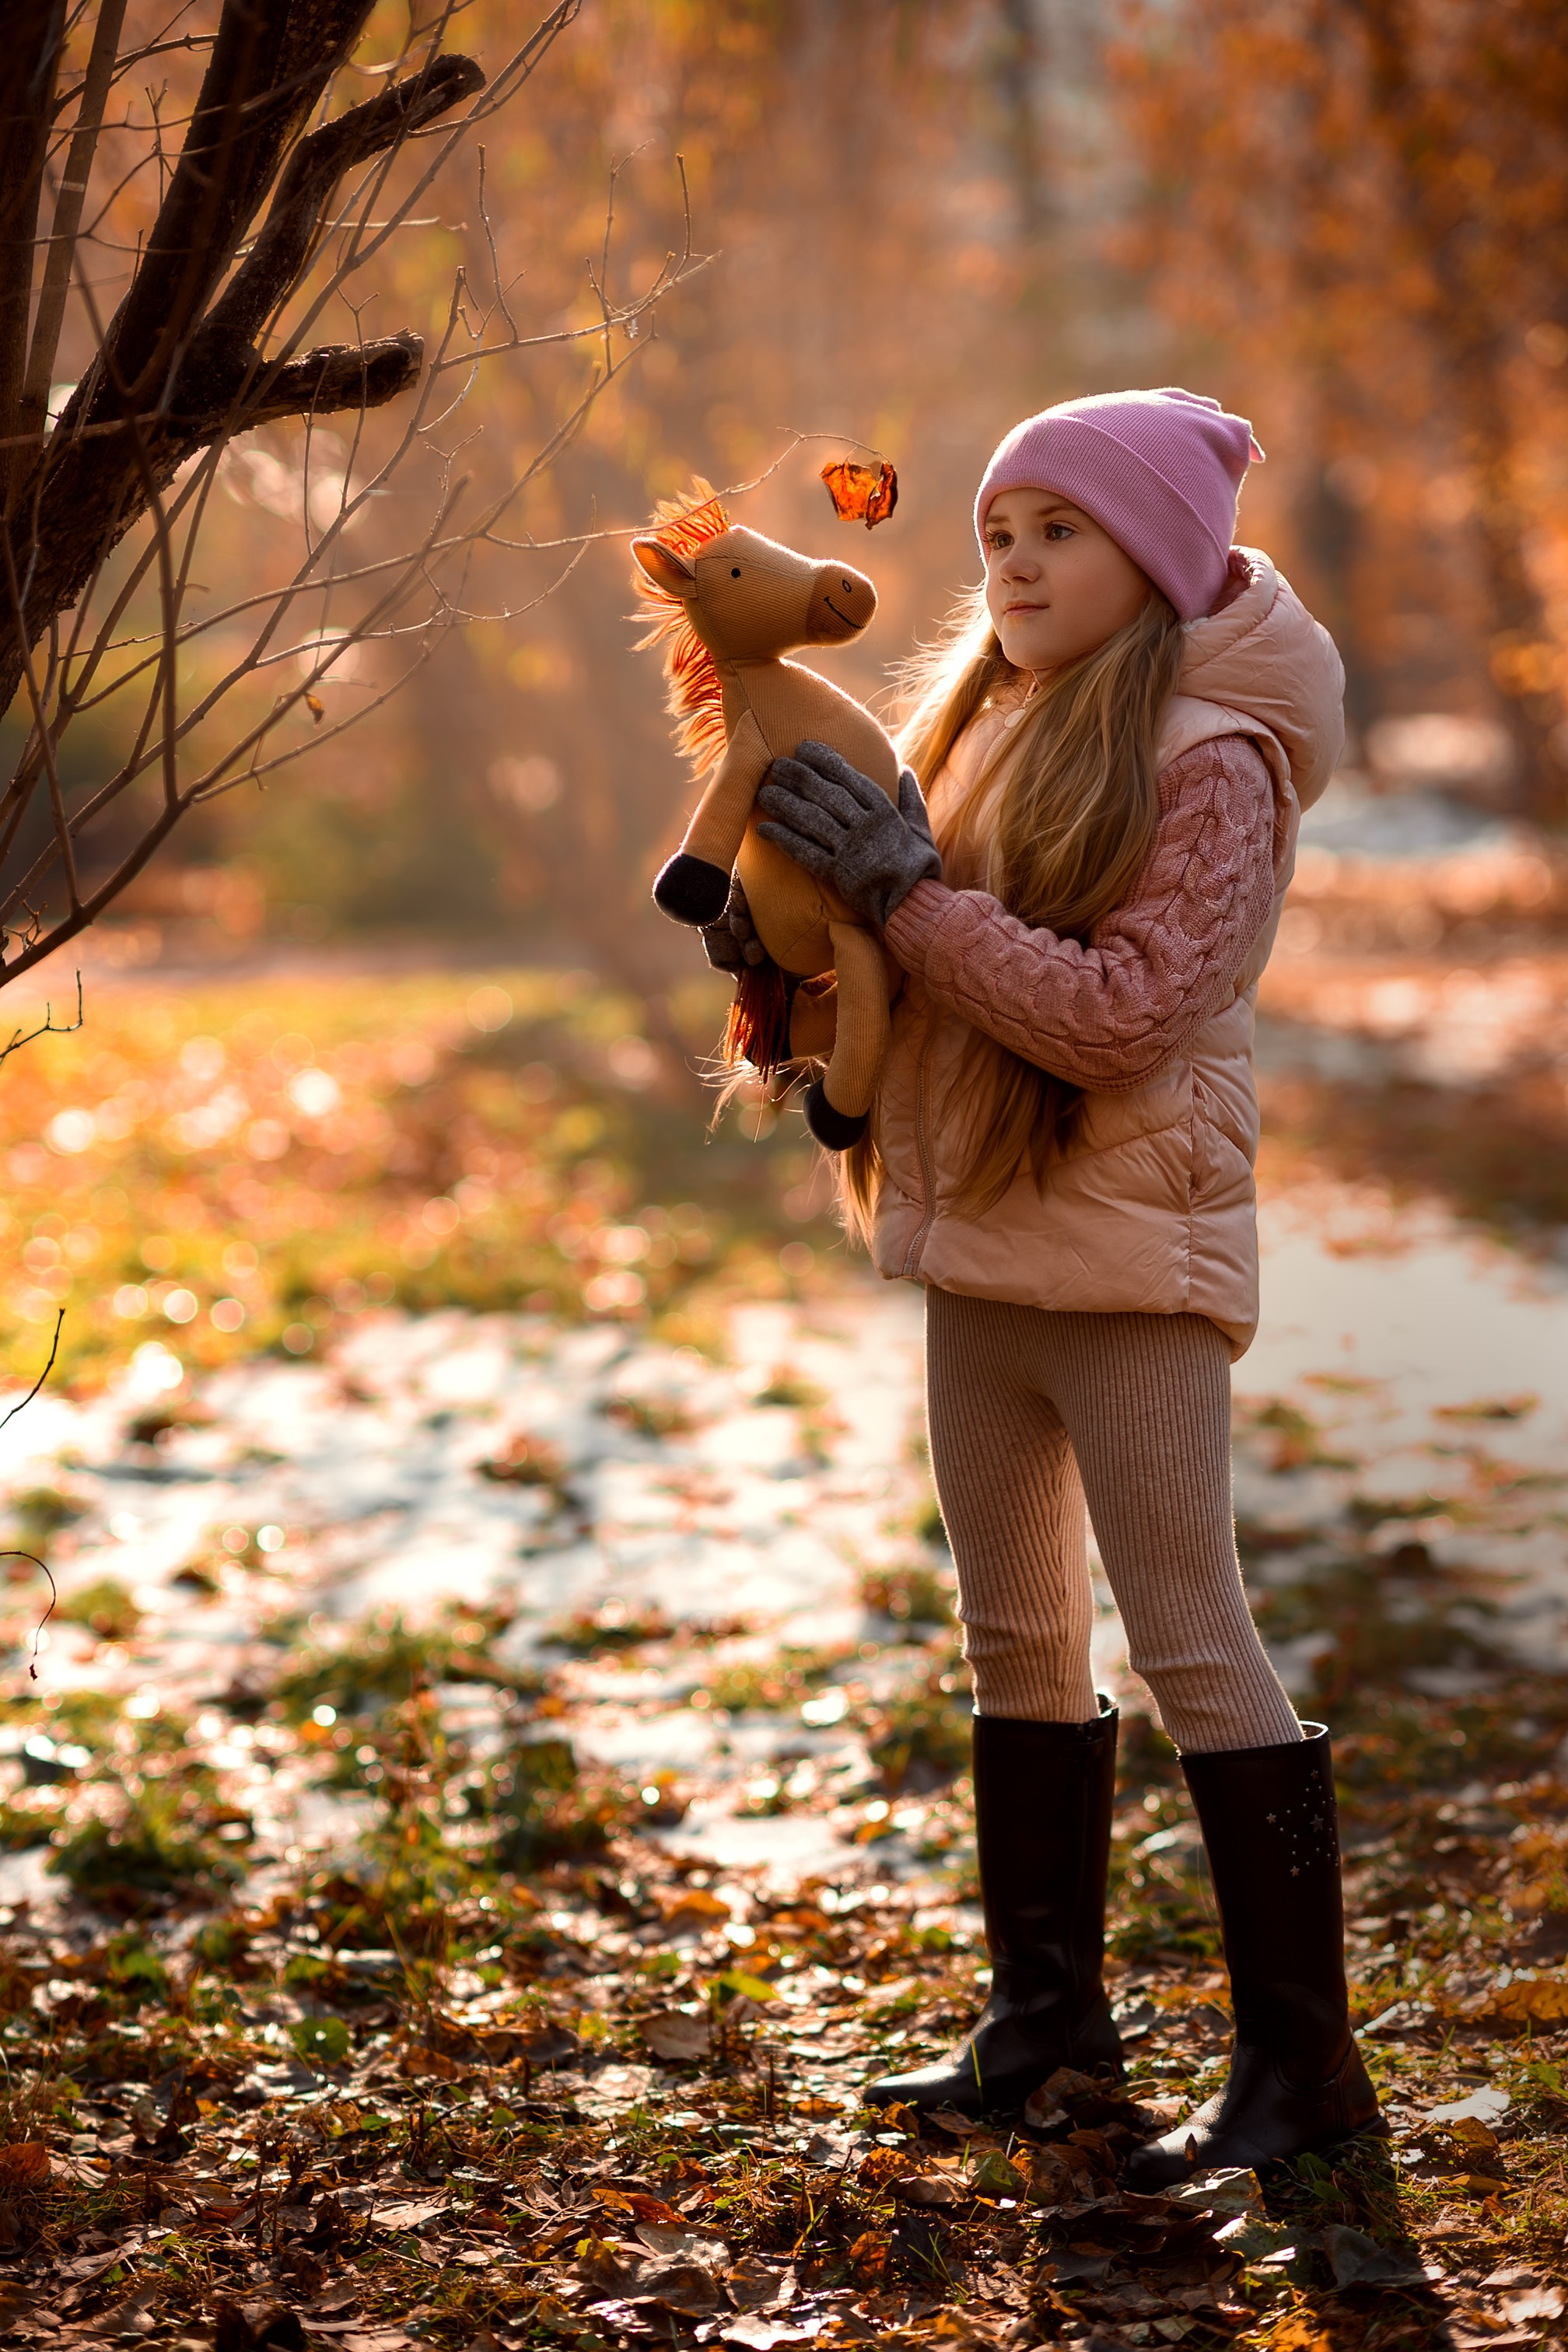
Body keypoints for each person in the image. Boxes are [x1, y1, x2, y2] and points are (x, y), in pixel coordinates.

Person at [720, 388, 1381, 2185]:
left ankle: (1302, 2072)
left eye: (1057, 532)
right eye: (995, 534)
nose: (1010, 563)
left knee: (1187, 1633)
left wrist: (912, 902)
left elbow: (1125, 1008)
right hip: (983, 1243)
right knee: (1018, 1635)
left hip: (1130, 1261)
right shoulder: (982, 724)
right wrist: (805, 954)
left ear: (1153, 554)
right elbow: (916, 963)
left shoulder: (1213, 757)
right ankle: (1046, 2032)